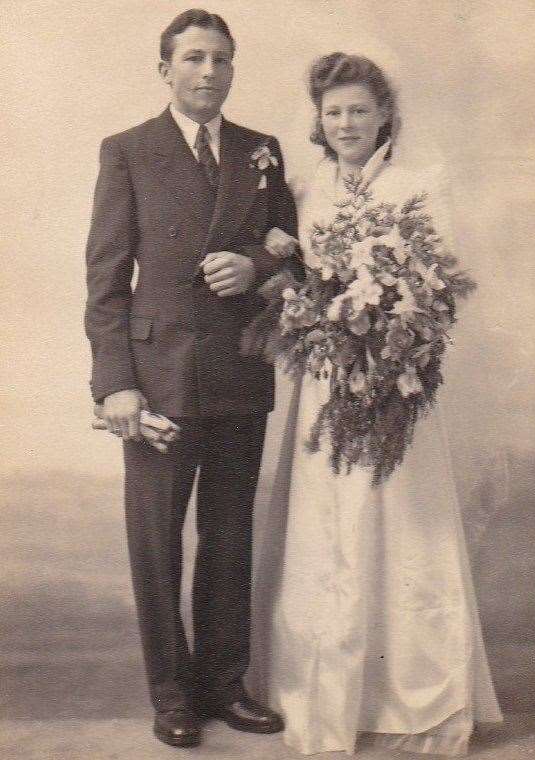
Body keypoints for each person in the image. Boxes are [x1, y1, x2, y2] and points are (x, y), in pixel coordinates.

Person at [252, 52, 503, 756]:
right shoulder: (305, 189)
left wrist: (394, 337)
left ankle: (412, 694)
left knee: (401, 526)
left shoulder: (420, 184)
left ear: (385, 114)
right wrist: (291, 277)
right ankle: (326, 692)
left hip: (395, 384)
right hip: (327, 384)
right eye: (334, 112)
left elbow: (440, 283)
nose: (346, 123)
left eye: (360, 110)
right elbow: (293, 279)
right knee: (326, 527)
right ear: (319, 121)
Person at [84, 8, 299, 749]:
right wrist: (116, 385)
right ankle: (171, 693)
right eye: (196, 58)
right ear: (166, 69)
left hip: (238, 367)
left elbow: (292, 252)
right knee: (157, 542)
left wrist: (258, 265)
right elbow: (106, 282)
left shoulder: (260, 150)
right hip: (158, 379)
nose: (210, 72)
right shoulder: (129, 151)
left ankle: (224, 683)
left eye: (223, 60)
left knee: (230, 535)